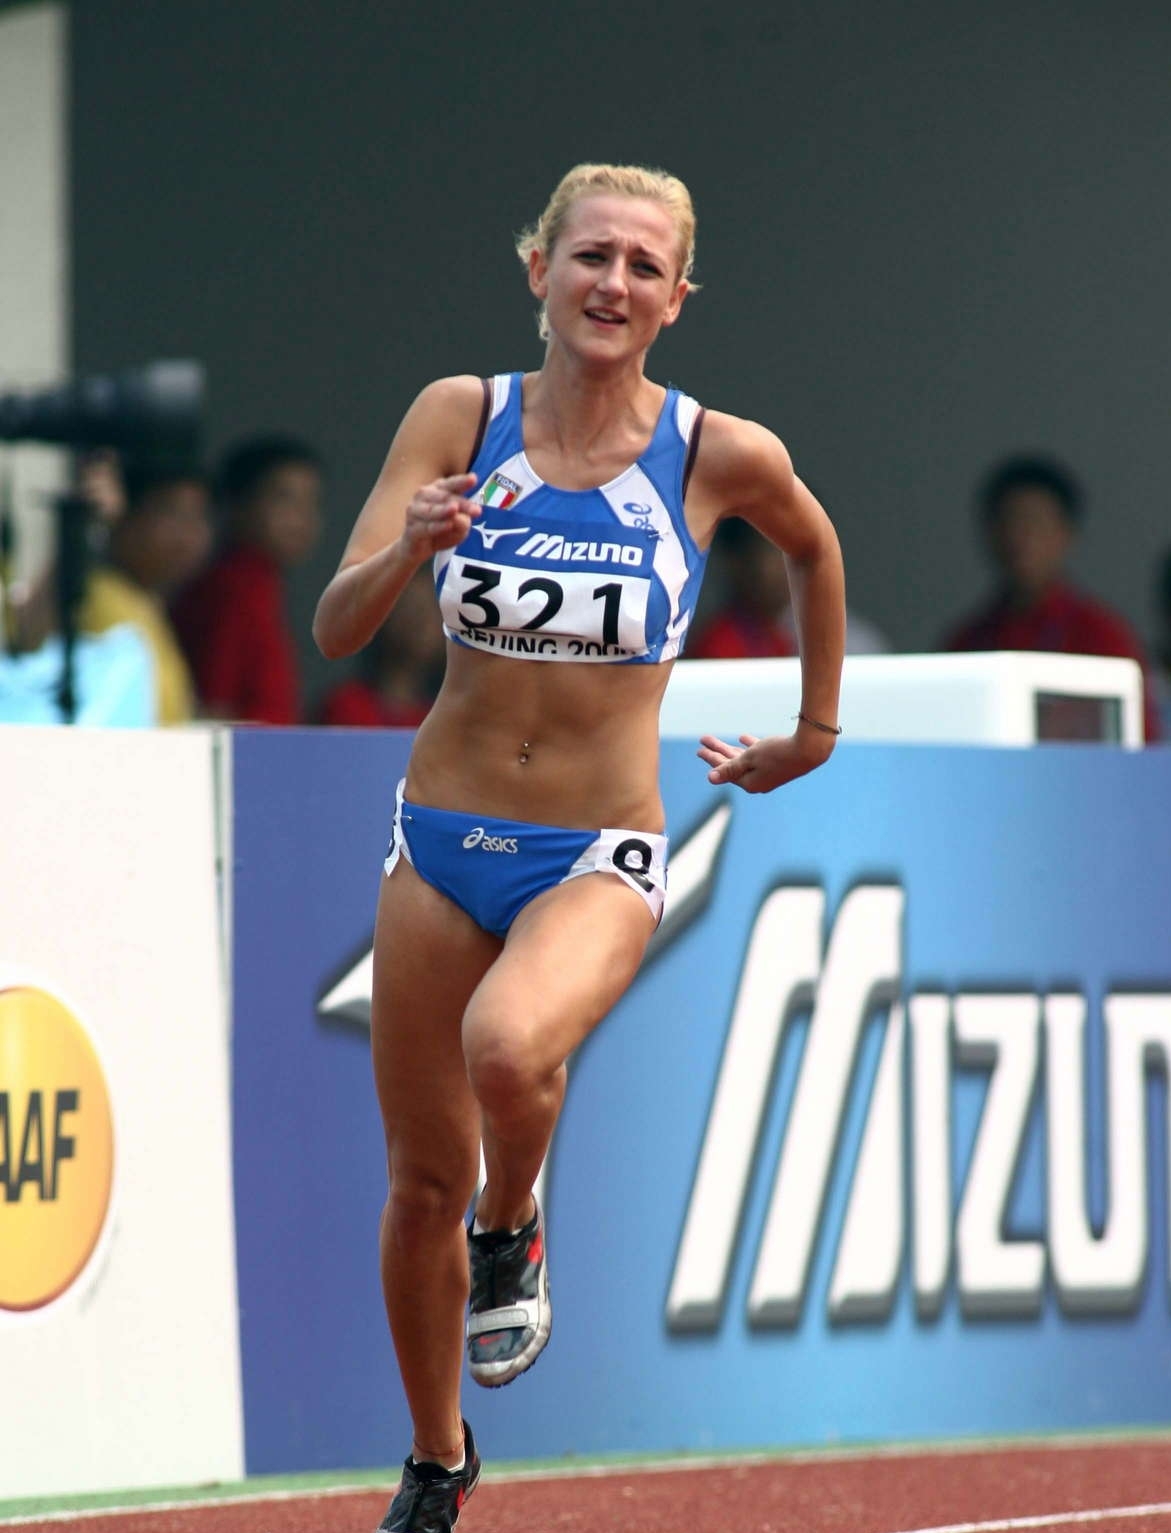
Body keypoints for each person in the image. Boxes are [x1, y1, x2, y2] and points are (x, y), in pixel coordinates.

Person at [312, 162, 846, 1532]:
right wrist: (408, 548)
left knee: (506, 1050)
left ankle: (513, 1224)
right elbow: (337, 626)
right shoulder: (457, 415)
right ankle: (436, 1459)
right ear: (536, 269)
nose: (611, 283)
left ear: (676, 300)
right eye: (589, 255)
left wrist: (813, 729)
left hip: (593, 851)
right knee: (416, 1182)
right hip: (439, 841)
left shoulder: (713, 451)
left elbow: (812, 546)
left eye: (640, 266)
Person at [941, 455, 1161, 741]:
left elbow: (1139, 743)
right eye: (1009, 521)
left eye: (1035, 522)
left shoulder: (1102, 636)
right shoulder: (968, 640)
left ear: (1065, 533)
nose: (1021, 538)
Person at [171, 434, 323, 723]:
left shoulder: (265, 586)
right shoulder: (231, 588)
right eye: (284, 499)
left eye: (311, 502)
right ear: (238, 506)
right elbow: (215, 705)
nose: (301, 518)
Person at [79, 461, 213, 724]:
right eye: (171, 513)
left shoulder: (148, 601)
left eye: (199, 516)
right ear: (124, 517)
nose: (189, 534)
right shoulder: (98, 596)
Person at [690, 514, 889, 659]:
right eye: (772, 548)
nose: (791, 561)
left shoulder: (856, 645)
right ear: (737, 561)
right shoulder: (716, 647)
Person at [318, 564, 446, 727]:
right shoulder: (347, 705)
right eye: (409, 608)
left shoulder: (446, 719)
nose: (418, 624)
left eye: (431, 611)